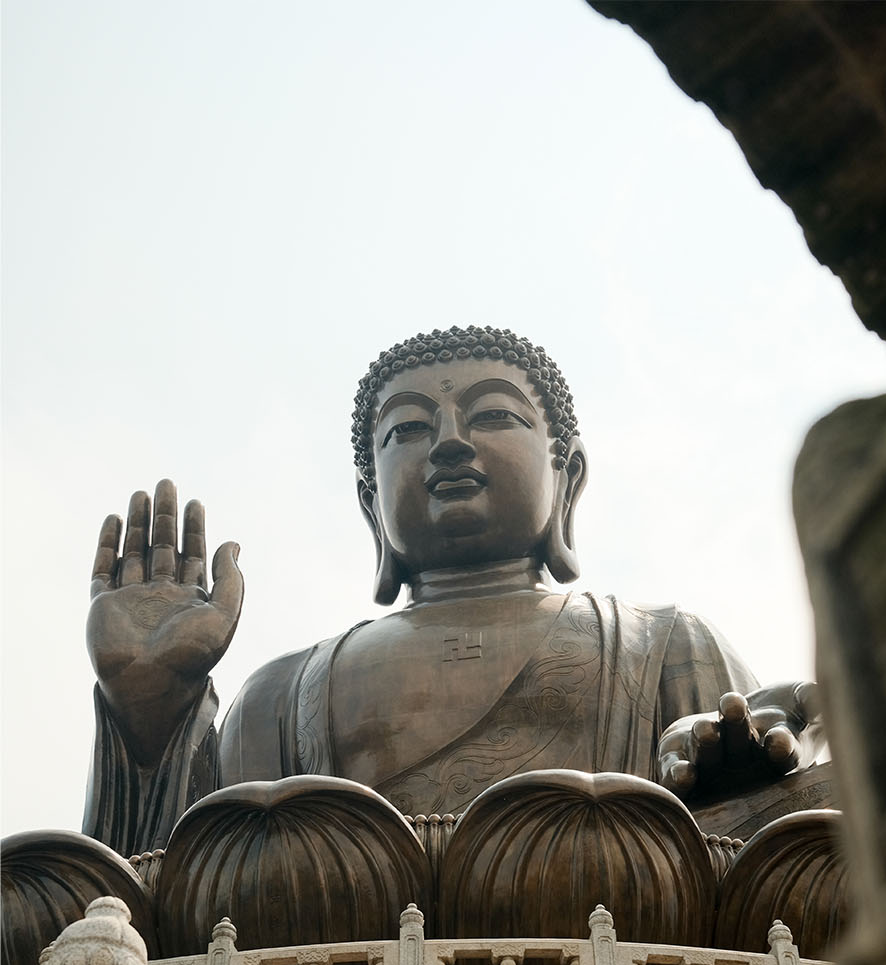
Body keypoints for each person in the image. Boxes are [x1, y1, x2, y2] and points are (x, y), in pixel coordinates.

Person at [84, 325, 820, 857]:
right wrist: (148, 709)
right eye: (407, 429)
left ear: (569, 476)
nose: (448, 442)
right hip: (338, 936)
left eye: (494, 414)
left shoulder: (665, 646)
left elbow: (779, 830)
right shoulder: (281, 694)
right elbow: (153, 896)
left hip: (618, 917)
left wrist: (735, 779)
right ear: (371, 502)